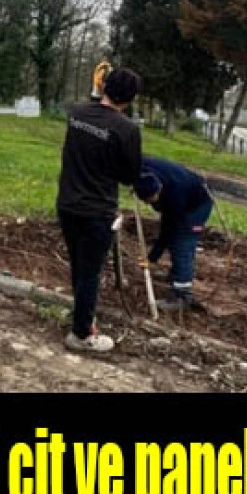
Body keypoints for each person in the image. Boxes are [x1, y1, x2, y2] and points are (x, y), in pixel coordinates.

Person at [56, 67, 143, 353]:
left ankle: (82, 315)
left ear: (104, 86)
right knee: (90, 271)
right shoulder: (127, 130)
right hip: (97, 209)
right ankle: (82, 333)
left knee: (78, 265)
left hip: (68, 202)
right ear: (130, 98)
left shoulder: (76, 114)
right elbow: (130, 175)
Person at [133, 156, 214, 312]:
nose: (150, 204)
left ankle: (182, 296)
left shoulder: (174, 194)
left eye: (152, 200)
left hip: (199, 202)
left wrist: (152, 257)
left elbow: (167, 228)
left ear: (160, 188)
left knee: (182, 242)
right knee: (177, 239)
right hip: (186, 191)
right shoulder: (139, 168)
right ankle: (178, 274)